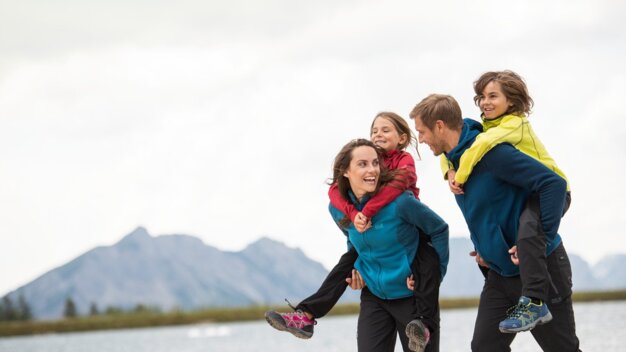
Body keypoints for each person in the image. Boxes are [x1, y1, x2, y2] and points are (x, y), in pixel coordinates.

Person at [409, 94, 580, 351]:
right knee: (484, 348)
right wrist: (486, 248)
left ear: (440, 126)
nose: (420, 139)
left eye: (422, 132)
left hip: (540, 271)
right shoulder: (455, 162)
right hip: (499, 276)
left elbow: (553, 184)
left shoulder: (493, 155)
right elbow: (487, 210)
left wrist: (537, 240)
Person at [265, 112, 444, 352]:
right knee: (348, 261)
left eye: (374, 164)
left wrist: (431, 280)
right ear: (346, 171)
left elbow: (438, 228)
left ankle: (424, 323)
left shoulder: (402, 191)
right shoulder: (337, 207)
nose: (372, 168)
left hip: (412, 294)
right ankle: (305, 315)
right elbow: (354, 241)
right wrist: (360, 270)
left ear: (401, 138)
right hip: (375, 297)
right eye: (363, 164)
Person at [439, 70, 571, 333]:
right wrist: (448, 169)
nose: (485, 102)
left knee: (530, 230)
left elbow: (481, 144)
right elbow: (450, 144)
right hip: (531, 192)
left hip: (552, 191)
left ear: (511, 101)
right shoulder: (486, 126)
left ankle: (534, 301)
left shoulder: (513, 125)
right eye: (481, 97)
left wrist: (460, 174)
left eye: (493, 96)